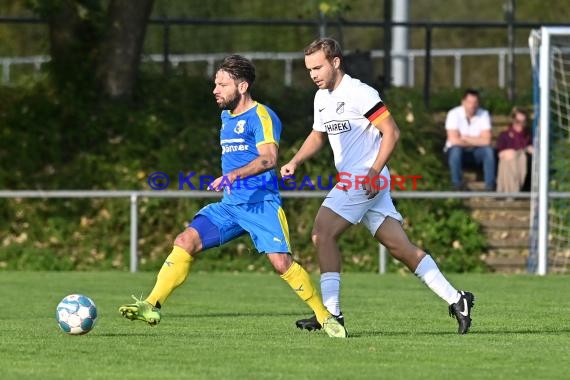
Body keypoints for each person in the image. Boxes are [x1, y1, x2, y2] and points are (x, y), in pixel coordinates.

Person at [119, 54, 346, 338]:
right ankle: (150, 305)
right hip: (230, 205)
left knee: (281, 263)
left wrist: (235, 175)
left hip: (261, 204)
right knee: (185, 240)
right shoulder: (226, 116)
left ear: (242, 86)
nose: (215, 89)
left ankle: (326, 318)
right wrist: (231, 182)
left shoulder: (261, 115)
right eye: (216, 83)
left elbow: (269, 158)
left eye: (222, 84)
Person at [280, 38, 475, 335]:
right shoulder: (322, 98)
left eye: (318, 67)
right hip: (363, 181)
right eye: (309, 70)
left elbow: (391, 132)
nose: (313, 74)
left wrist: (373, 171)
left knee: (322, 233)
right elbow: (318, 136)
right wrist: (295, 160)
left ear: (335, 62)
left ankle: (331, 314)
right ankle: (457, 299)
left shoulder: (360, 92)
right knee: (401, 248)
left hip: (364, 178)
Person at [445, 89, 496, 191]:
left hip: (477, 152)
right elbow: (453, 140)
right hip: (457, 152)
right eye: (469, 102)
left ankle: (490, 186)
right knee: (456, 150)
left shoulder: (484, 114)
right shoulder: (453, 114)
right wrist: (477, 140)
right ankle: (457, 185)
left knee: (488, 151)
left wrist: (465, 138)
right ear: (463, 102)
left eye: (475, 102)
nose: (472, 105)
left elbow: (487, 141)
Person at [496, 107, 533, 193]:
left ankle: (515, 188)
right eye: (518, 121)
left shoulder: (529, 135)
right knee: (509, 159)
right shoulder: (504, 135)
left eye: (523, 122)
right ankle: (510, 189)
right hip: (509, 163)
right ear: (513, 120)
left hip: (524, 164)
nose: (520, 124)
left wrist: (529, 149)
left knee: (523, 157)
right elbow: (500, 152)